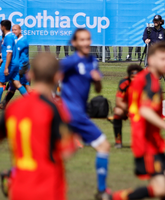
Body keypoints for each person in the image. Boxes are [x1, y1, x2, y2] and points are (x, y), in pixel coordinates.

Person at [0, 52, 76, 200]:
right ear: (57, 77)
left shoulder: (13, 108)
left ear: (30, 75)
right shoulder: (55, 110)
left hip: (19, 189)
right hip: (47, 189)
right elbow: (67, 150)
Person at [112, 42, 165, 200]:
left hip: (152, 141)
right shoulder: (151, 83)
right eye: (162, 59)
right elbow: (144, 110)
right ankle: (115, 197)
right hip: (146, 143)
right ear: (150, 60)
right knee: (161, 190)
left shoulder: (143, 78)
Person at [60, 28, 111, 199]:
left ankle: (14, 174)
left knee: (63, 152)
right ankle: (102, 191)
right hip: (71, 113)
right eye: (81, 40)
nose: (86, 42)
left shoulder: (92, 61)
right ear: (74, 43)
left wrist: (97, 81)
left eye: (88, 39)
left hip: (78, 113)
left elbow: (97, 89)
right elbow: (50, 75)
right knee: (103, 146)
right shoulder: (70, 61)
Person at [0, 20, 28, 111]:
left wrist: (6, 67)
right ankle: (31, 102)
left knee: (0, 83)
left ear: (3, 27)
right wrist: (0, 61)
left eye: (0, 26)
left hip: (9, 63)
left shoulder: (8, 37)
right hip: (15, 64)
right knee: (17, 84)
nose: (0, 28)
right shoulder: (13, 36)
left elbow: (9, 53)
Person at [113, 64, 143, 148]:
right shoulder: (124, 83)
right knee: (117, 111)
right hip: (126, 108)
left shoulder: (146, 83)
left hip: (140, 108)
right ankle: (118, 141)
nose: (134, 79)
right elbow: (119, 102)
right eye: (132, 77)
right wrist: (129, 110)